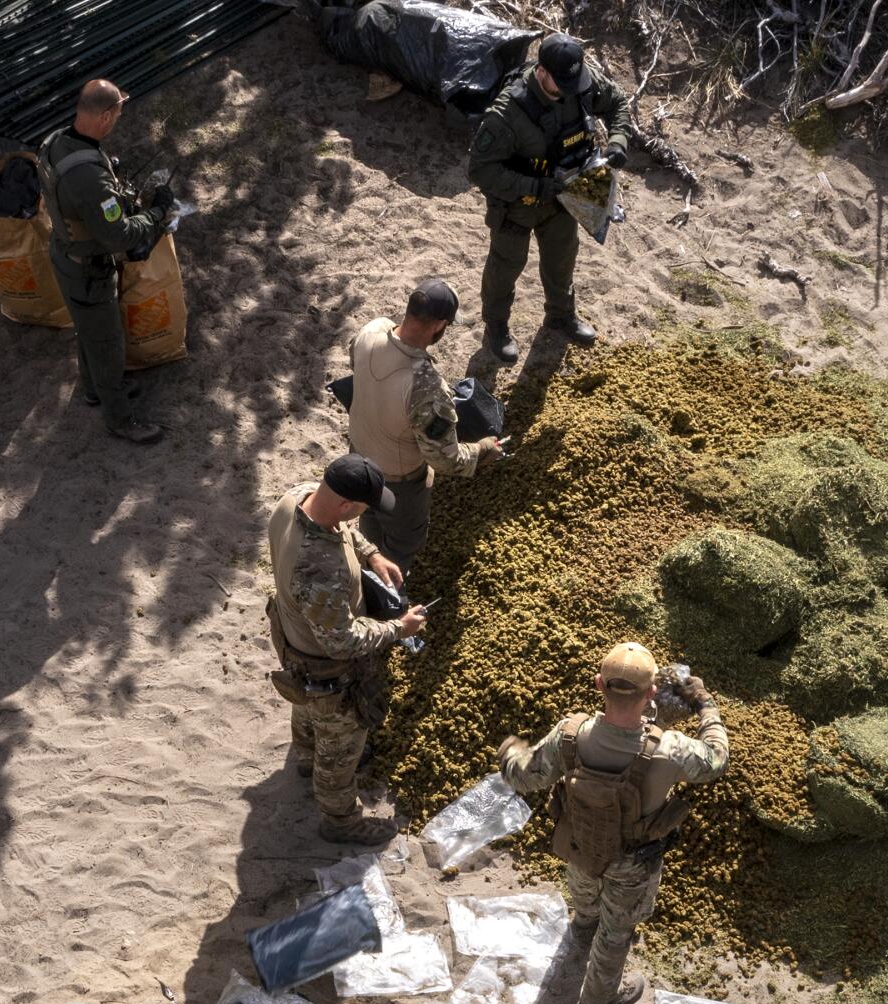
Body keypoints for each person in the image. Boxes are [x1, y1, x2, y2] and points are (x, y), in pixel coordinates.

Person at [497, 642, 728, 1004]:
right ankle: (598, 1001)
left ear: (599, 684)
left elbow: (525, 777)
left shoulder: (569, 734)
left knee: (585, 895)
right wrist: (705, 705)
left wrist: (509, 751)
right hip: (632, 862)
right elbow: (717, 758)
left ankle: (584, 922)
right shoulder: (671, 749)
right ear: (651, 693)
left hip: (580, 843)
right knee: (616, 933)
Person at [267, 454, 430, 843]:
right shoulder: (319, 568)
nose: (359, 516)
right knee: (340, 751)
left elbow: (343, 530)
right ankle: (340, 822)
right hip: (326, 668)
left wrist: (371, 554)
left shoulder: (297, 498)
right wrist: (398, 627)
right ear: (345, 504)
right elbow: (342, 642)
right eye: (361, 509)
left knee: (304, 706)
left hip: (293, 640)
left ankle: (305, 757)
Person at [467, 34, 634, 364]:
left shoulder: (580, 83)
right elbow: (481, 171)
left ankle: (560, 315)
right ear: (542, 72)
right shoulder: (507, 113)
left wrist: (617, 142)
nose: (572, 90)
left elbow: (618, 103)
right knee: (506, 266)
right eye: (563, 83)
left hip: (565, 197)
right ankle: (496, 328)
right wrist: (533, 186)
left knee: (562, 258)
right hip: (518, 205)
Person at [39, 79, 176, 445]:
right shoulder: (90, 177)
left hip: (66, 257)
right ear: (103, 115)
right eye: (116, 113)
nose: (117, 120)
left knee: (89, 331)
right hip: (88, 270)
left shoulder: (56, 142)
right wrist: (157, 212)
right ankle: (119, 419)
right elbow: (119, 236)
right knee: (109, 343)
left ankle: (93, 390)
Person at [345, 279, 504, 571]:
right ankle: (385, 593)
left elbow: (355, 361)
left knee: (369, 516)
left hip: (358, 457)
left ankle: (366, 562)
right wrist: (482, 450)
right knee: (401, 545)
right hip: (397, 482)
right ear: (440, 325)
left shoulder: (371, 330)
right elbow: (445, 460)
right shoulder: (427, 387)